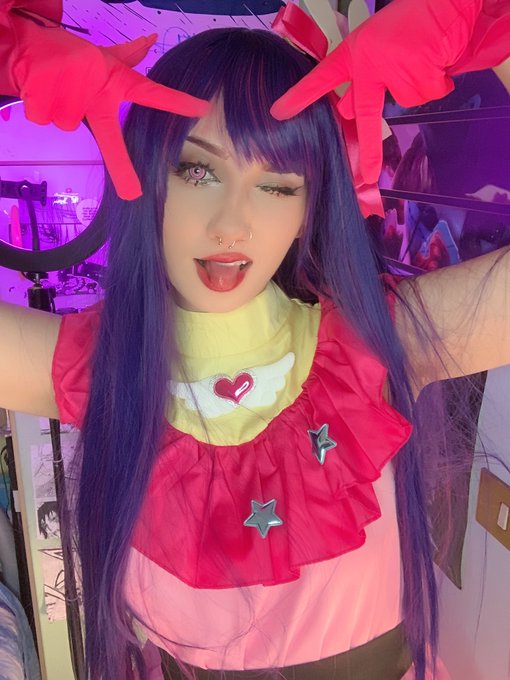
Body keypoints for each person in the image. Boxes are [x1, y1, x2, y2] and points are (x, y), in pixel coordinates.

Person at [0, 2, 509, 680]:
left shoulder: (376, 342)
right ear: (143, 169)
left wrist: (472, 22)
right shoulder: (98, 365)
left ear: (308, 206)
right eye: (198, 170)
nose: (231, 224)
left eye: (275, 184)